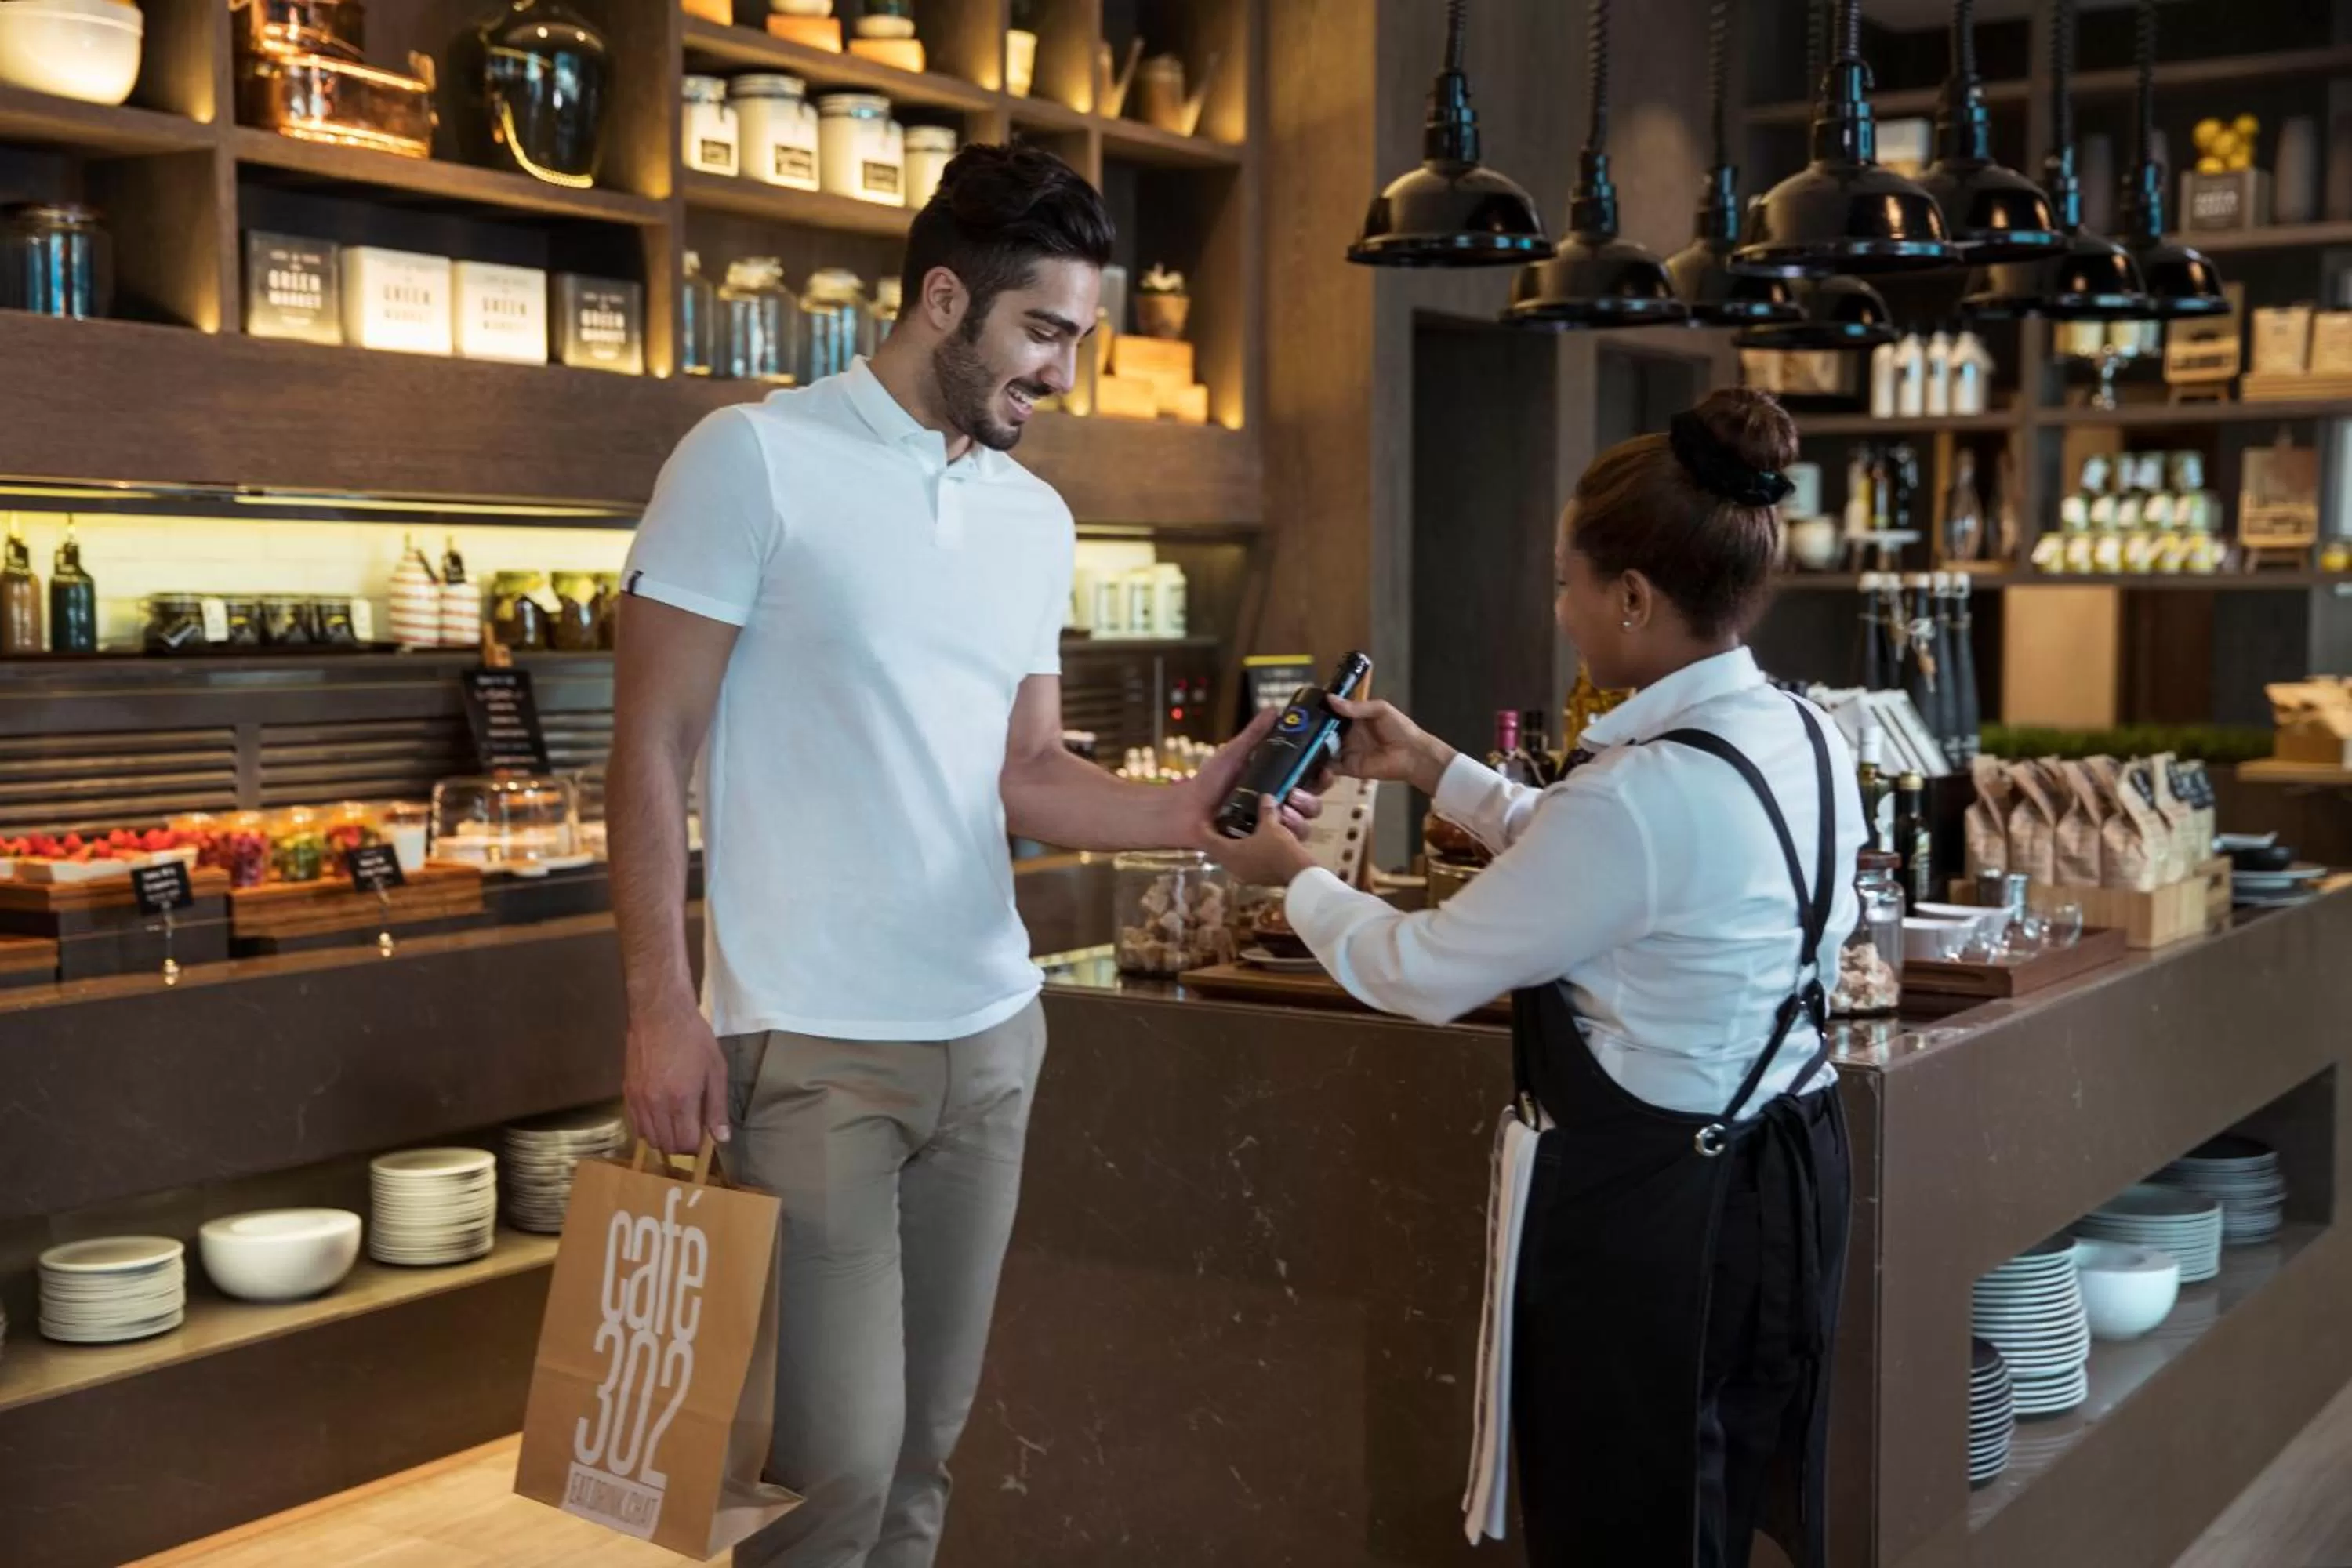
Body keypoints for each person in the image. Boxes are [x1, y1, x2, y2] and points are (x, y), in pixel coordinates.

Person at [607, 144, 1307, 1568]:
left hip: (990, 1039)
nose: (1063, 373)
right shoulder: (749, 458)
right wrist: (659, 1009)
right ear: (944, 299)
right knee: (829, 1476)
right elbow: (647, 750)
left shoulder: (1030, 517)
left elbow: (1027, 772)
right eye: (1044, 332)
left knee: (926, 1454)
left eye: (1079, 339)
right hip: (807, 1046)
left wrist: (1192, 811)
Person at [1208, 389, 1864, 1568]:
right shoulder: (1801, 732)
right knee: (1709, 1511)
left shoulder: (1641, 791)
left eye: (1568, 583)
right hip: (1781, 1183)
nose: (1559, 611)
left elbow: (1417, 968)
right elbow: (1604, 864)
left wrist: (1287, 872)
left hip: (1656, 1218)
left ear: (1633, 596)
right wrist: (1429, 764)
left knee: (1624, 1523)